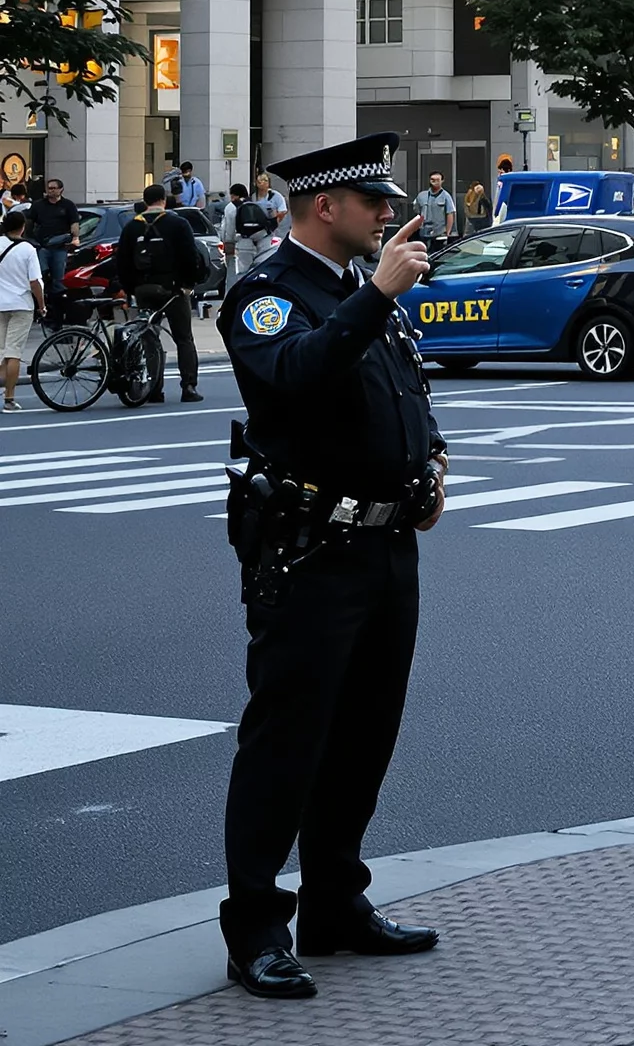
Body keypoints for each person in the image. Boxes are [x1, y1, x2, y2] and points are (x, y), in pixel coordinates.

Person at [217, 133, 444, 1000]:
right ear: (324, 207)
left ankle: (336, 905)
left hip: (387, 544)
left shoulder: (361, 292)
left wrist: (437, 466)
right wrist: (378, 295)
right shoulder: (267, 295)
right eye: (373, 203)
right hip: (310, 551)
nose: (388, 215)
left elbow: (407, 393)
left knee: (364, 736)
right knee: (287, 743)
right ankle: (257, 929)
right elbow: (296, 377)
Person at [114, 184, 206, 402]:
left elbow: (122, 262)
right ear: (164, 200)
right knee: (183, 338)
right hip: (172, 289)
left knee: (148, 336)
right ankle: (189, 387)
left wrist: (130, 290)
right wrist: (187, 283)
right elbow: (189, 256)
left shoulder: (131, 227)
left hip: (143, 289)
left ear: (145, 201)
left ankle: (154, 388)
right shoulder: (178, 224)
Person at [0, 209, 44, 410]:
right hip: (21, 304)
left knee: (0, 351)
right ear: (23, 227)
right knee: (13, 352)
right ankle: (9, 398)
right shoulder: (28, 249)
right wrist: (41, 305)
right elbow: (34, 281)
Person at [26, 175, 79, 318]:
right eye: (49, 188)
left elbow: (74, 223)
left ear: (61, 190)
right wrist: (29, 238)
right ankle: (40, 306)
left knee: (58, 279)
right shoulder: (38, 205)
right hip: (42, 246)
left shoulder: (68, 205)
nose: (51, 191)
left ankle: (57, 311)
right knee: (40, 276)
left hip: (60, 247)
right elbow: (29, 222)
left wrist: (75, 238)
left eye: (54, 188)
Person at [226, 183, 273, 282]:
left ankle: (245, 293)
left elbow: (229, 230)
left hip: (244, 241)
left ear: (235, 196)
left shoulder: (232, 208)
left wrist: (229, 243)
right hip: (263, 239)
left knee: (243, 273)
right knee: (262, 269)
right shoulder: (259, 204)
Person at [413, 172, 457, 252]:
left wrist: (447, 232)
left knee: (437, 256)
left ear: (442, 181)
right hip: (424, 233)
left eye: (437, 180)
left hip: (439, 234)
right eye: (432, 180)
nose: (435, 182)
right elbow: (417, 211)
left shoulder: (446, 196)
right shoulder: (422, 196)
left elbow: (450, 214)